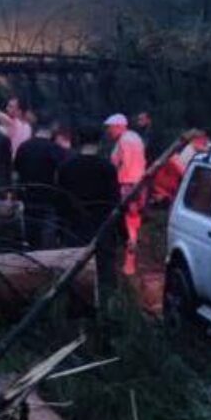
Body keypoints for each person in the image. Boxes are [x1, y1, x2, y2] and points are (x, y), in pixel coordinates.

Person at [57, 124, 121, 289]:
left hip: (74, 227)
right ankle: (106, 306)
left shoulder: (66, 167)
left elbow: (60, 201)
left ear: (79, 140)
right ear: (99, 142)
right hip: (102, 227)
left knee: (75, 274)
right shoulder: (107, 168)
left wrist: (60, 228)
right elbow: (115, 201)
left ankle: (77, 309)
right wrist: (121, 232)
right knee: (104, 273)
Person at [13, 120, 68, 249]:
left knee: (30, 232)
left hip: (28, 197)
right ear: (51, 132)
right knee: (47, 236)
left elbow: (16, 170)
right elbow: (63, 172)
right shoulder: (55, 149)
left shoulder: (23, 147)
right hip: (49, 199)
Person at [105, 113, 146, 276]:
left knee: (129, 223)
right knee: (134, 222)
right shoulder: (135, 137)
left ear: (119, 126)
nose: (109, 131)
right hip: (140, 183)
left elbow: (118, 163)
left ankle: (129, 263)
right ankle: (130, 259)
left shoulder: (124, 141)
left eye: (110, 127)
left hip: (127, 185)